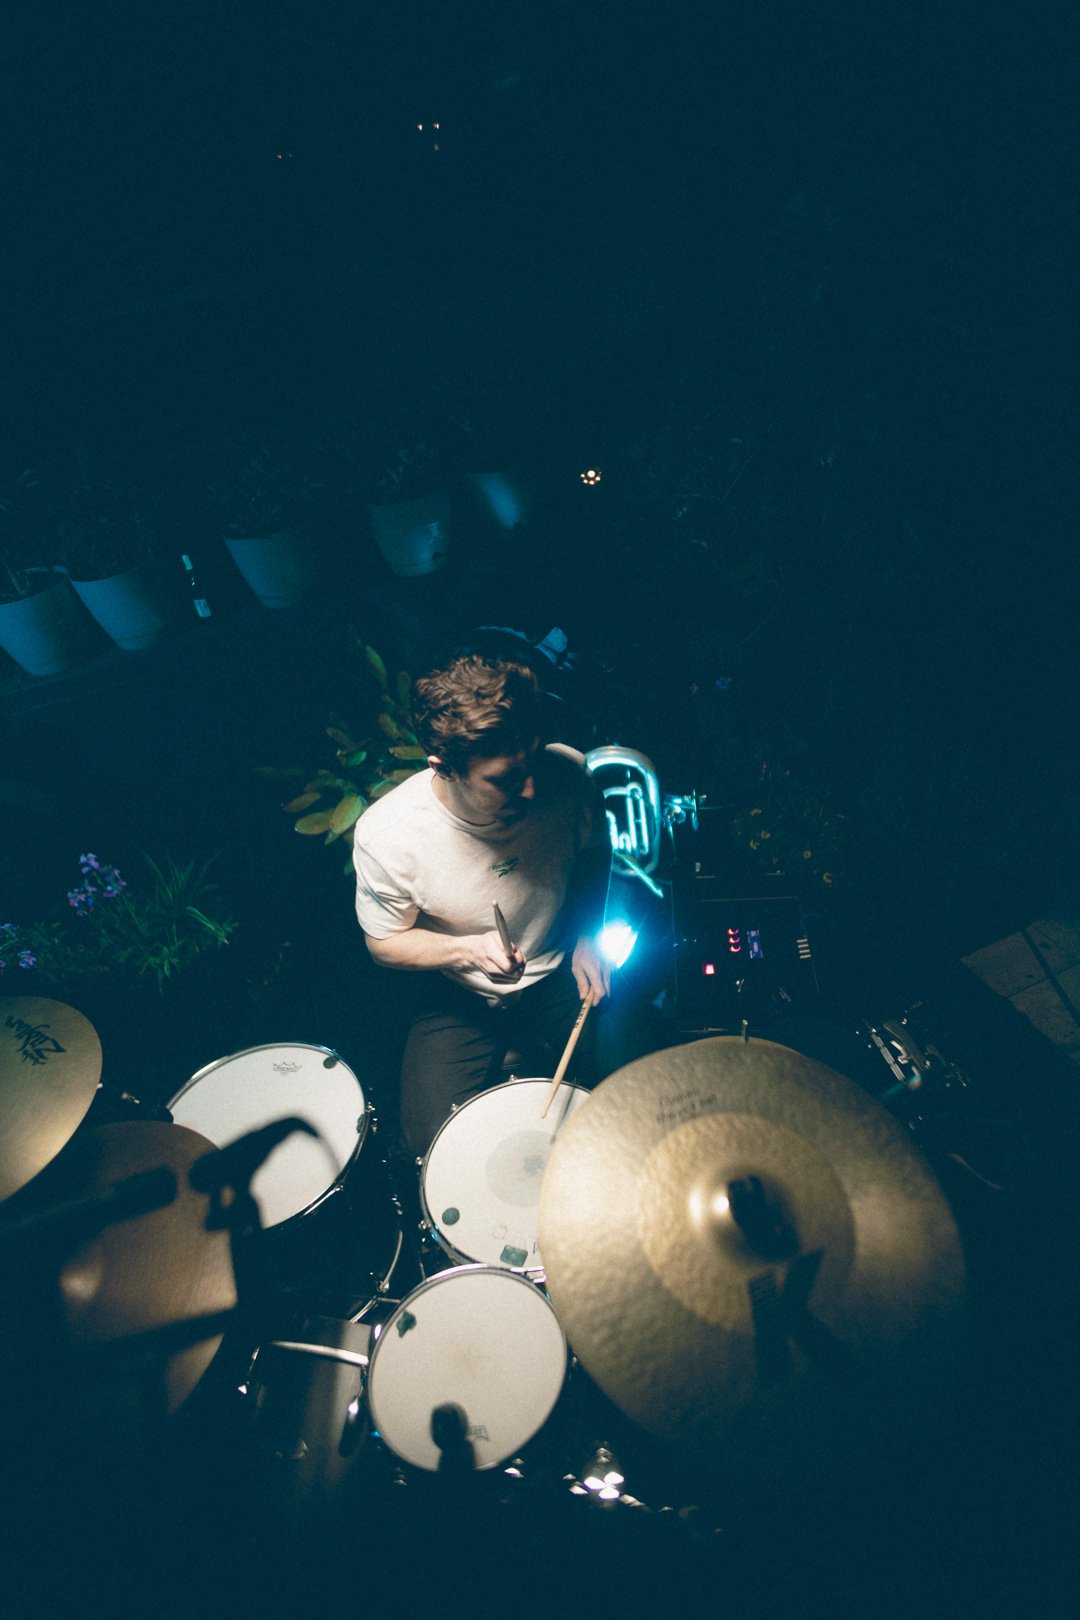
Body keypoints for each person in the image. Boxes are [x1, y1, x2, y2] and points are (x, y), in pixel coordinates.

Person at [352, 653, 612, 1157]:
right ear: (444, 768)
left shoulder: (568, 774)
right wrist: (468, 952)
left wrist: (587, 934)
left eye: (532, 762)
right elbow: (383, 943)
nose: (532, 788)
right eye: (506, 779)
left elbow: (595, 854)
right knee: (432, 1148)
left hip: (561, 970)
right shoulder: (388, 836)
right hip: (461, 994)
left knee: (640, 1081)